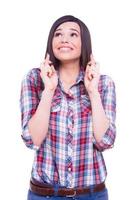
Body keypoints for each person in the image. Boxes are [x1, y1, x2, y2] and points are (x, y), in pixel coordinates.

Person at [20, 15, 116, 200]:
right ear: (51, 42)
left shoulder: (103, 84)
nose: (64, 39)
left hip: (91, 194)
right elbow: (33, 140)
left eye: (73, 34)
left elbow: (105, 141)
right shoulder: (34, 79)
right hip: (45, 194)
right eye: (58, 34)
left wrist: (93, 92)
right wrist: (49, 89)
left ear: (84, 42)